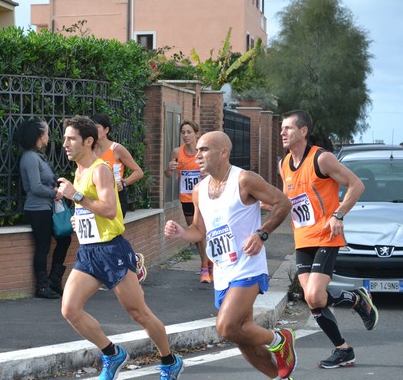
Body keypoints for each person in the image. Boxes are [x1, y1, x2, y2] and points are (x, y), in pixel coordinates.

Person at [57, 116, 183, 380]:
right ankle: (112, 353)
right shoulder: (79, 172)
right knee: (70, 309)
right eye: (65, 138)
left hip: (111, 251)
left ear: (88, 141)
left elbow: (109, 209)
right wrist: (78, 216)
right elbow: (93, 210)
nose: (65, 143)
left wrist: (76, 197)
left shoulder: (100, 169)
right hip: (89, 252)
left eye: (71, 138)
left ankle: (169, 360)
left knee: (139, 313)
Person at [165, 131, 297, 380]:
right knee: (242, 336)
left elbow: (282, 203)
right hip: (223, 270)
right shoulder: (199, 189)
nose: (199, 154)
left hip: (248, 266)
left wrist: (261, 234)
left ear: (223, 152)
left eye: (205, 149)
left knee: (226, 327)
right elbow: (199, 230)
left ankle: (280, 338)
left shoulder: (244, 180)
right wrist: (182, 232)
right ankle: (280, 377)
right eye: (199, 149)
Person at [279, 110, 378, 369]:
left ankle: (357, 301)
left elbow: (356, 185)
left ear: (303, 131)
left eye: (288, 128)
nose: (282, 132)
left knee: (314, 294)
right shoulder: (283, 164)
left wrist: (338, 214)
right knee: (313, 299)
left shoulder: (321, 159)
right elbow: (286, 201)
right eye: (282, 128)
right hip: (303, 239)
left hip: (326, 235)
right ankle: (344, 346)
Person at [18, 118, 72, 299]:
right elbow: (35, 187)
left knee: (64, 239)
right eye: (47, 133)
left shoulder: (37, 157)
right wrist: (54, 192)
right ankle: (42, 286)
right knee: (43, 246)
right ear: (39, 136)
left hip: (47, 207)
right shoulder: (30, 158)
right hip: (37, 208)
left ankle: (54, 280)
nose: (48, 136)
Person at [92, 113, 147, 283]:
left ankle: (132, 260)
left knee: (111, 234)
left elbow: (139, 172)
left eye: (97, 127)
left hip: (116, 196)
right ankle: (128, 261)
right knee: (100, 236)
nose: (93, 130)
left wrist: (124, 182)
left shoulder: (116, 149)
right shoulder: (90, 149)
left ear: (106, 130)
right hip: (97, 196)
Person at [164, 120, 211, 283]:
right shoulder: (177, 152)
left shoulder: (203, 152)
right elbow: (168, 175)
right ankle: (206, 262)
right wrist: (169, 169)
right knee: (196, 234)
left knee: (203, 232)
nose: (186, 135)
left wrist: (208, 175)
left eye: (189, 132)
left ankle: (205, 267)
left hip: (204, 197)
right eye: (183, 132)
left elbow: (215, 171)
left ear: (196, 133)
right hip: (186, 198)